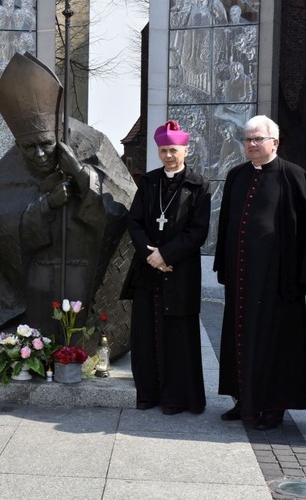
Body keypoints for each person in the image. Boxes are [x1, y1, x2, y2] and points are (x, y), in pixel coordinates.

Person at [0, 52, 135, 353]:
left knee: (81, 336)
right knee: (41, 334)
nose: (38, 154)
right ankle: (29, 349)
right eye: (29, 147)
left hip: (86, 273)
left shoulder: (93, 145)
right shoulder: (7, 169)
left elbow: (120, 210)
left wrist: (80, 174)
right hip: (36, 280)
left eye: (46, 144)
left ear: (57, 138)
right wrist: (45, 207)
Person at [214, 115, 306, 430]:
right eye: (247, 139)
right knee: (239, 336)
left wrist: (303, 276)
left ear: (275, 142)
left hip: (278, 281)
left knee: (276, 343)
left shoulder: (294, 176)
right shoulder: (236, 175)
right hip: (243, 278)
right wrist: (223, 264)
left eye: (258, 139)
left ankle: (274, 406)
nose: (252, 145)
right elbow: (227, 225)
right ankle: (243, 399)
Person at [121, 120, 210, 415]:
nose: (168, 155)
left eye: (173, 149)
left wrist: (166, 255)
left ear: (185, 150)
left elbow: (198, 231)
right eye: (163, 150)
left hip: (180, 272)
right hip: (149, 270)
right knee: (146, 334)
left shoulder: (199, 186)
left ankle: (178, 398)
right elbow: (134, 221)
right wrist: (152, 256)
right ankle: (148, 394)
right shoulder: (148, 183)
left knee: (179, 336)